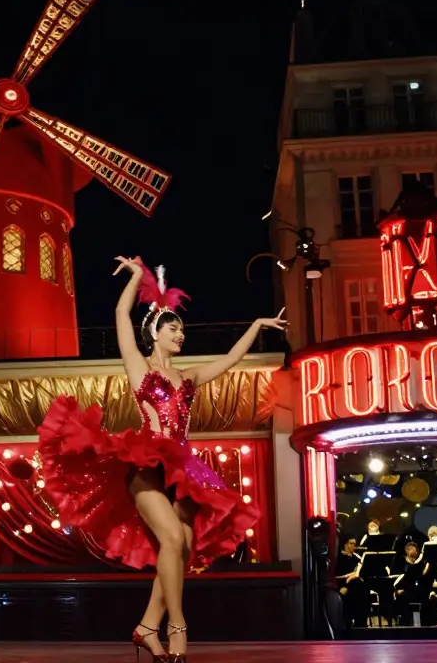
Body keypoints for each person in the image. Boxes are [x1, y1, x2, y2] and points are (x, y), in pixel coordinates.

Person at [38, 257, 284, 662]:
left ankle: (146, 628)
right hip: (146, 461)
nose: (181, 334)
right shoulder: (139, 367)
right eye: (174, 328)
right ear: (155, 333)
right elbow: (120, 313)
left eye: (182, 329)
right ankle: (178, 628)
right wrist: (137, 278)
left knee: (182, 551)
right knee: (171, 539)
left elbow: (230, 360)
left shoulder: (189, 377)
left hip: (186, 468)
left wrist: (256, 326)